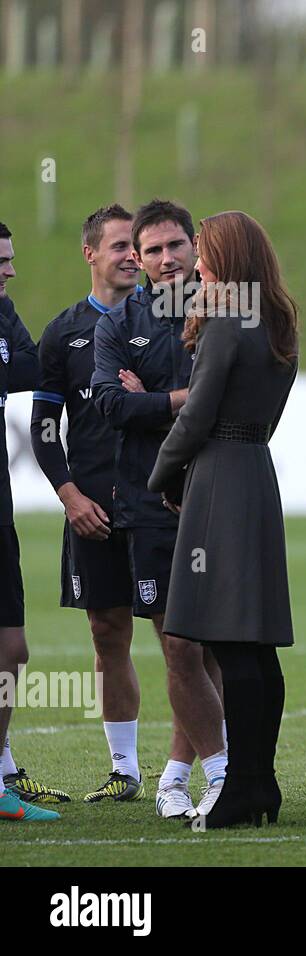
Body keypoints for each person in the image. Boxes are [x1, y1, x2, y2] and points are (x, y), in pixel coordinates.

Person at [147, 211, 298, 829]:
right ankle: (259, 785)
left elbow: (196, 415)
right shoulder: (276, 317)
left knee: (230, 643)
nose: (197, 265)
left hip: (219, 481)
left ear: (227, 259)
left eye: (205, 253)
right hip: (255, 471)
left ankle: (241, 789)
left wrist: (162, 475)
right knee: (255, 646)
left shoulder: (225, 322)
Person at [92, 199, 227, 820]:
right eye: (153, 250)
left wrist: (159, 399)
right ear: (137, 258)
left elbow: (225, 398)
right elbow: (110, 407)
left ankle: (199, 775)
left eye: (176, 245)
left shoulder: (225, 307)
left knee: (207, 648)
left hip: (215, 496)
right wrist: (184, 398)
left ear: (195, 246)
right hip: (148, 501)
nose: (166, 259)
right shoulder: (121, 322)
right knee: (178, 648)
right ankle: (192, 775)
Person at [31, 205, 146, 804]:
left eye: (139, 246)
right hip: (94, 510)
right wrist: (69, 494)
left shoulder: (168, 320)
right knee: (107, 632)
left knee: (191, 639)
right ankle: (125, 770)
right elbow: (45, 426)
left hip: (160, 506)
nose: (132, 256)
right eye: (122, 245)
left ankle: (217, 766)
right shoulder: (62, 333)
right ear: (90, 253)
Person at [0, 220, 67, 821]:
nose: (10, 270)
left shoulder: (4, 310)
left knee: (11, 647)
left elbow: (29, 369)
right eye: (1, 261)